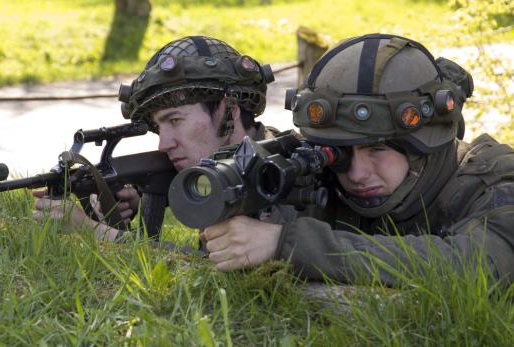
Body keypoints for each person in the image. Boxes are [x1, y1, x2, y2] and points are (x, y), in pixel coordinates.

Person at [201, 33, 514, 285]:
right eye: (339, 152)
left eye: (376, 150)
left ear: (425, 145)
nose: (356, 174)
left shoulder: (493, 179)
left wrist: (288, 244)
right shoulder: (318, 172)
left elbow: (479, 264)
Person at [33, 35, 280, 241]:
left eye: (175, 120)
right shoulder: (231, 163)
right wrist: (138, 197)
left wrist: (93, 230)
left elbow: (202, 272)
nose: (163, 144)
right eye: (159, 127)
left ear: (229, 110)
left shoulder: (280, 177)